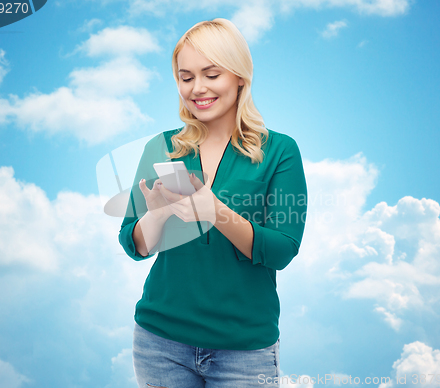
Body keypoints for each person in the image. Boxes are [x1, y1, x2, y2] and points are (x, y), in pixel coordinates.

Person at [118, 18, 308, 388]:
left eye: (211, 74)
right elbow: (134, 244)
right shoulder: (162, 146)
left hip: (244, 351)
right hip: (159, 343)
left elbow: (283, 250)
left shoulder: (280, 151)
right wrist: (155, 216)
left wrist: (216, 212)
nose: (197, 88)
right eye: (186, 77)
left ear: (240, 76)